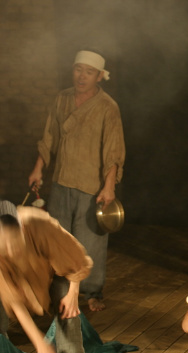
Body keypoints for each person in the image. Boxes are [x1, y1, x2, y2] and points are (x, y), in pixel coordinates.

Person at [28, 50, 125, 312]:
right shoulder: (62, 99)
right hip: (62, 180)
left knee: (90, 241)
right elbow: (49, 137)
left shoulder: (107, 106)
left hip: (91, 185)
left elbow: (113, 150)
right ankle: (59, 292)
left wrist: (109, 186)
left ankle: (91, 292)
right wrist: (38, 169)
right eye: (78, 69)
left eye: (89, 72)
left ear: (99, 76)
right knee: (59, 240)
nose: (82, 76)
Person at [0, 200, 94, 353]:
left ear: (21, 230)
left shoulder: (39, 224)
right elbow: (13, 300)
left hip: (56, 272)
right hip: (23, 282)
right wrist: (39, 343)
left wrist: (73, 293)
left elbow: (75, 259)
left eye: (13, 242)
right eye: (3, 244)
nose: (9, 249)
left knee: (68, 311)